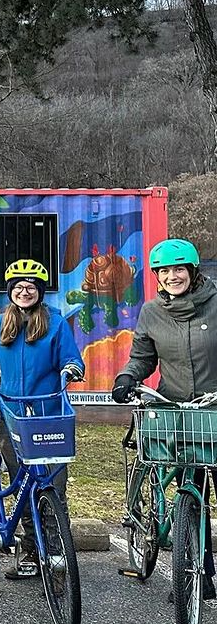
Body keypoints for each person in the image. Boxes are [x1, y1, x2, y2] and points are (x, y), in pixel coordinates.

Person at [111, 238, 217, 598]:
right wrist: (127, 377)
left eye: (179, 269)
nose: (173, 276)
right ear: (157, 275)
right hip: (176, 411)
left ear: (192, 271)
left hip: (214, 409)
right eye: (165, 271)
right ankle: (197, 574)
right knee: (191, 491)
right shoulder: (152, 312)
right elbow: (143, 357)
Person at [0, 258, 84, 580]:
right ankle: (31, 550)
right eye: (18, 287)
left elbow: (72, 359)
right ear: (10, 291)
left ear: (40, 292)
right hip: (12, 418)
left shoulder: (56, 324)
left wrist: (72, 369)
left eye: (31, 287)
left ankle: (57, 551)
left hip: (49, 416)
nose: (24, 292)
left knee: (53, 487)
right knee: (23, 486)